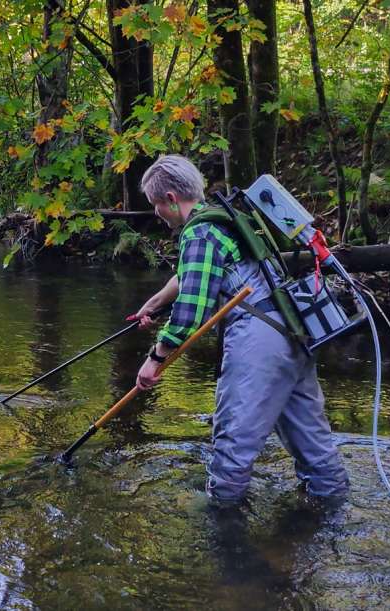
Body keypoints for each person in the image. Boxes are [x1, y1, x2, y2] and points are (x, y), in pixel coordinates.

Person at [129, 154, 349, 506]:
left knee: (231, 443)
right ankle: (333, 514)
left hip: (258, 342)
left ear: (171, 198)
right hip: (293, 331)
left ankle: (225, 537)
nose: (156, 213)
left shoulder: (199, 232)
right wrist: (155, 302)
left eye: (156, 204)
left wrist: (155, 359)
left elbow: (191, 312)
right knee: (314, 446)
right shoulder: (225, 219)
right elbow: (192, 276)